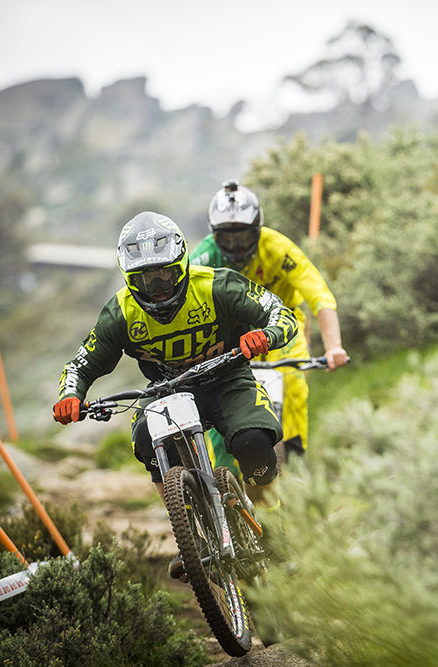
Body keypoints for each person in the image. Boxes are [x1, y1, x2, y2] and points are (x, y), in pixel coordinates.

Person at [52, 211, 299, 577]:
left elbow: (281, 314)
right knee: (145, 439)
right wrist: (69, 395)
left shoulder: (218, 286)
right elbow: (81, 364)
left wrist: (266, 335)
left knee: (252, 444)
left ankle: (273, 529)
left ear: (181, 263)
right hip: (166, 390)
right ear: (130, 278)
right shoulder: (121, 312)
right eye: (145, 279)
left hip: (227, 379)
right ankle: (191, 536)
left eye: (165, 273)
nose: (158, 287)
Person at [190, 179, 347, 470]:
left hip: (282, 330)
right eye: (227, 238)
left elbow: (319, 295)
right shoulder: (202, 259)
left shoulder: (278, 248)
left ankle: (296, 460)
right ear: (215, 235)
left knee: (293, 380)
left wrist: (334, 346)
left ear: (258, 229)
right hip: (230, 338)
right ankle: (224, 474)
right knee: (214, 394)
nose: (236, 246)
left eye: (244, 237)